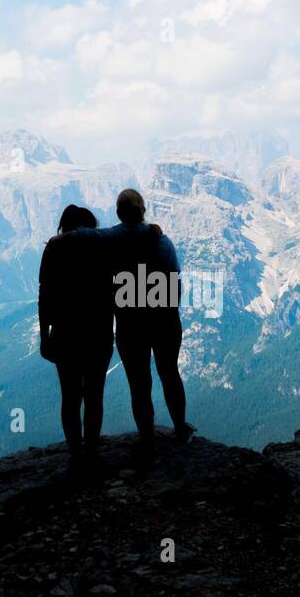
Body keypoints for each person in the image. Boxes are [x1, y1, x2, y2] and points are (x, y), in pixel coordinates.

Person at [67, 188, 195, 452]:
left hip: (131, 323)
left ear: (117, 213)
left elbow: (79, 237)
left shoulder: (111, 239)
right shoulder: (163, 242)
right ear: (144, 210)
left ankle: (147, 437)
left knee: (139, 384)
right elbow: (176, 285)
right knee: (170, 374)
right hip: (164, 319)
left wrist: (55, 243)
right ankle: (180, 427)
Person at [38, 205, 113, 467]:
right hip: (99, 332)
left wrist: (44, 336)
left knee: (70, 397)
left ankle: (75, 454)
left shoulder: (54, 248)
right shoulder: (104, 247)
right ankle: (91, 451)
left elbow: (44, 295)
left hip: (65, 334)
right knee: (94, 396)